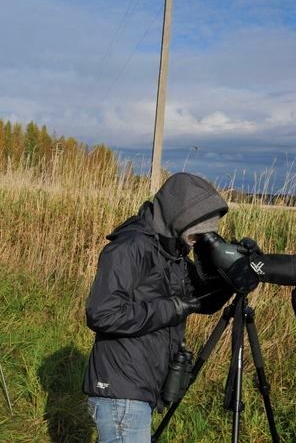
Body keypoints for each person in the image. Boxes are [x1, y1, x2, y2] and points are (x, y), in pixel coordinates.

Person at [83, 172, 233, 443]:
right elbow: (102, 313)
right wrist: (173, 308)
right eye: (197, 234)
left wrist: (231, 277)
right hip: (122, 389)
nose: (199, 241)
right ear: (180, 219)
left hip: (141, 385)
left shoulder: (172, 254)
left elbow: (203, 302)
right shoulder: (130, 248)